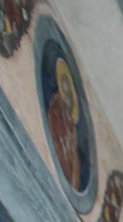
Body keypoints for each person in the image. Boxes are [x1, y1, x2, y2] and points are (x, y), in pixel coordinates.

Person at [44, 57, 83, 190]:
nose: (66, 98)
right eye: (64, 90)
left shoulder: (70, 124)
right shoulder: (55, 108)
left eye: (68, 92)